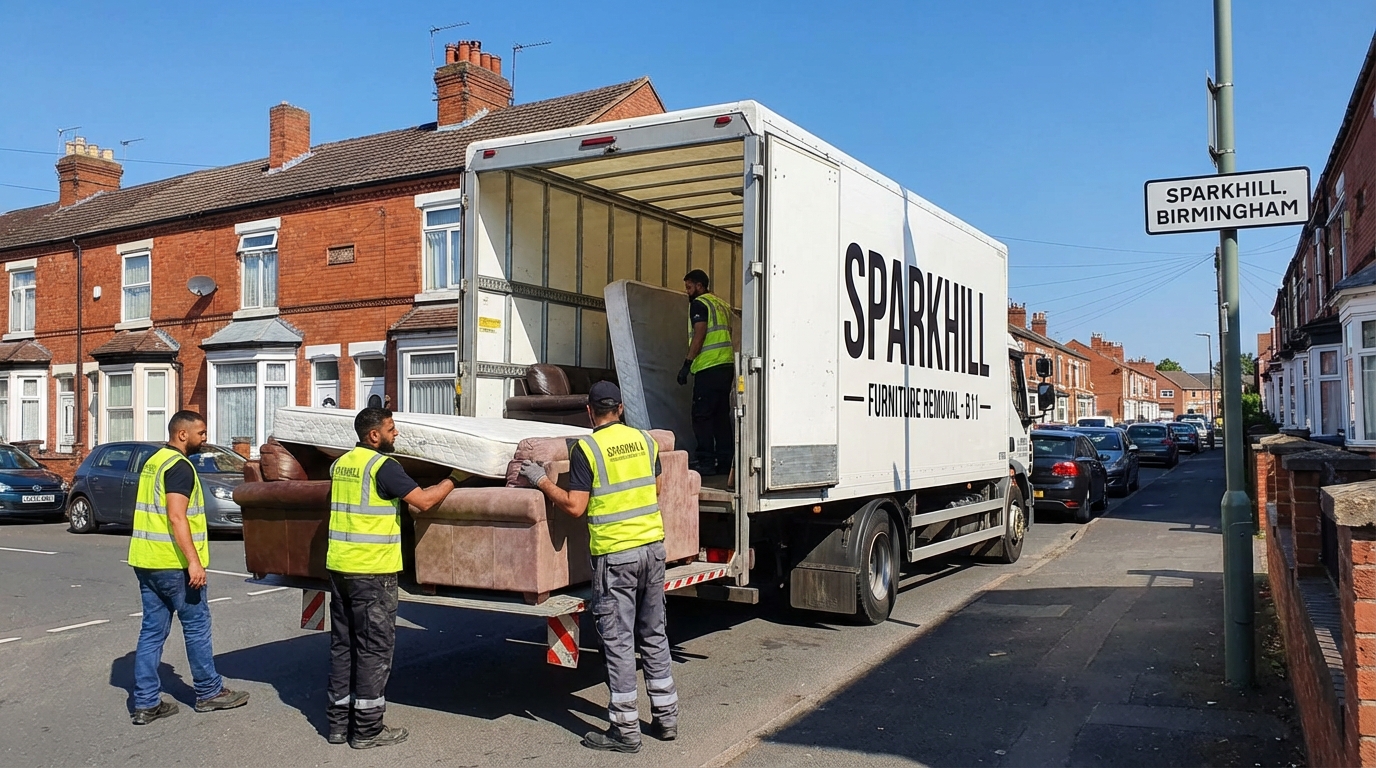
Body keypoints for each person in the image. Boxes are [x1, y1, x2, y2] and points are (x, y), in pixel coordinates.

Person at [520, 381, 679, 753]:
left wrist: (540, 480)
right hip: (653, 550)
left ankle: (625, 730)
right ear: (620, 409)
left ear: (590, 412)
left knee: (619, 642)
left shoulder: (586, 449)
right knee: (654, 634)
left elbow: (575, 507)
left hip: (616, 557)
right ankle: (666, 717)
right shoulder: (646, 441)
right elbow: (654, 490)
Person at [326, 407, 465, 749]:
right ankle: (369, 730)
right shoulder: (383, 467)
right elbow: (423, 503)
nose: (396, 433)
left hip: (339, 566)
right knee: (374, 649)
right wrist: (455, 478)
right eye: (391, 428)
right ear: (374, 435)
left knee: (344, 647)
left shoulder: (341, 464)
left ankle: (337, 726)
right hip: (372, 570)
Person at [128, 410, 249, 725]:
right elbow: (176, 516)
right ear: (182, 434)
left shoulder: (154, 461)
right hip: (174, 564)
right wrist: (194, 562)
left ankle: (145, 703)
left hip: (146, 560)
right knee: (196, 626)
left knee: (152, 632)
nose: (205, 439)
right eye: (201, 432)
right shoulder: (180, 467)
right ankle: (209, 691)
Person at [676, 269, 734, 476]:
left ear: (700, 286)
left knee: (701, 416)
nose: (687, 292)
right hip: (726, 366)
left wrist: (687, 364)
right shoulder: (721, 304)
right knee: (720, 416)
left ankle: (706, 461)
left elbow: (699, 334)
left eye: (689, 287)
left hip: (708, 367)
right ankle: (726, 462)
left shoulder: (699, 304)